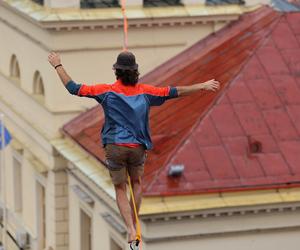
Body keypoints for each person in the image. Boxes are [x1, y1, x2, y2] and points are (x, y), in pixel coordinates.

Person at [48, 51, 220, 249]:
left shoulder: (106, 91)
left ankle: (130, 227)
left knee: (120, 188)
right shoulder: (146, 92)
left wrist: (57, 65)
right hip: (137, 147)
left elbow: (73, 88)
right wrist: (202, 86)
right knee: (136, 183)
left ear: (116, 71)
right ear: (136, 72)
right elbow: (175, 92)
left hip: (115, 147)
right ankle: (135, 222)